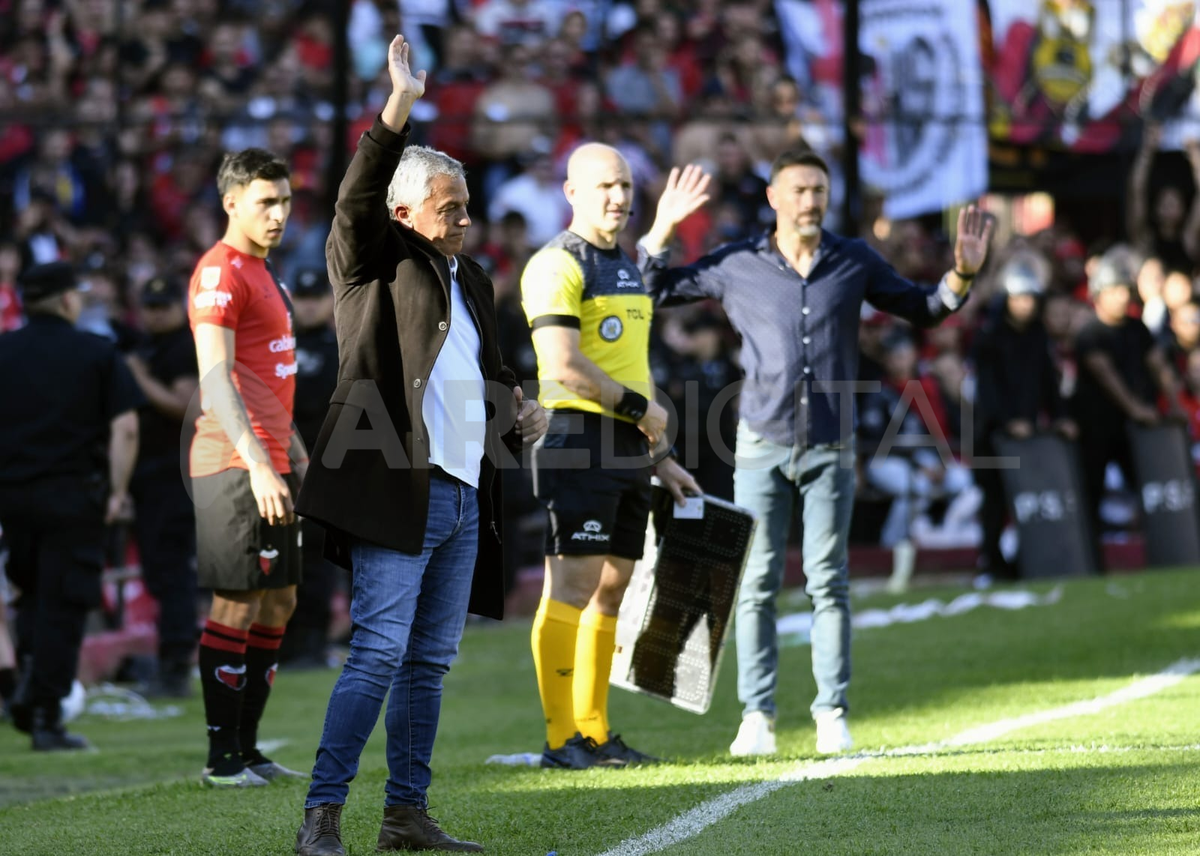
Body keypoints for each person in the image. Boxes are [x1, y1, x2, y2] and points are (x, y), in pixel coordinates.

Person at [638, 148, 994, 756]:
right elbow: (650, 290)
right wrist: (662, 229)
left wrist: (960, 273)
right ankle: (757, 715)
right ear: (774, 197)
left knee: (829, 582)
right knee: (756, 582)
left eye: (819, 191)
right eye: (799, 190)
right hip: (760, 442)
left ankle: (831, 711)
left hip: (831, 443)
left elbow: (925, 308)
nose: (810, 201)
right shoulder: (737, 263)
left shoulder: (852, 260)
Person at [292, 36, 546, 856]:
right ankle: (323, 815)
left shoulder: (473, 278)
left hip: (465, 493)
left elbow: (488, 369)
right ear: (403, 214)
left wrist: (520, 406)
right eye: (451, 208)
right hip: (401, 488)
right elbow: (355, 197)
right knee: (376, 654)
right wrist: (398, 106)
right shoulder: (370, 260)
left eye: (467, 206)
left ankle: (405, 814)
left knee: (427, 663)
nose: (466, 219)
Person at [520, 141, 704, 770]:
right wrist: (640, 411)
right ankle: (559, 741)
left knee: (612, 589)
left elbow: (630, 364)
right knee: (571, 586)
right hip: (577, 439)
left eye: (624, 185)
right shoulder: (555, 263)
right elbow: (562, 366)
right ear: (571, 192)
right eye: (604, 186)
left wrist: (660, 455)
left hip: (628, 445)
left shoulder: (623, 264)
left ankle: (594, 734)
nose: (618, 196)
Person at [187, 147, 308, 787]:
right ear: (231, 203)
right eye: (266, 201)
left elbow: (269, 379)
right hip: (234, 462)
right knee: (236, 602)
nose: (278, 213)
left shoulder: (267, 272)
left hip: (272, 458)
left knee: (279, 601)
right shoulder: (220, 272)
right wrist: (260, 464)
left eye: (285, 200)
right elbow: (216, 379)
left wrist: (295, 454)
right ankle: (221, 758)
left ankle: (250, 748)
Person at [0, 261, 142, 749]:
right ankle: (45, 713)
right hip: (73, 496)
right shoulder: (96, 351)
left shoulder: (4, 351)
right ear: (66, 299)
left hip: (13, 499)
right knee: (64, 603)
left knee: (30, 596)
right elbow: (125, 428)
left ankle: (27, 684)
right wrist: (117, 491)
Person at [1072, 258, 1185, 559]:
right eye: (1114, 290)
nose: (1122, 296)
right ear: (1098, 295)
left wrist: (1175, 404)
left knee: (1151, 489)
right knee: (1090, 494)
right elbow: (1107, 376)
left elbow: (1158, 366)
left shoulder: (1137, 328)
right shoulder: (1090, 333)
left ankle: (1169, 552)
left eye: (1124, 290)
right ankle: (1088, 559)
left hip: (1135, 429)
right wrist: (1136, 409)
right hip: (1097, 428)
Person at [971, 259, 1075, 582]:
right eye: (1018, 298)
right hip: (993, 436)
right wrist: (1008, 422)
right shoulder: (989, 337)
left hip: (1029, 439)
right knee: (995, 501)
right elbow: (987, 391)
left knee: (1032, 499)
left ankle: (1028, 560)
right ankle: (990, 562)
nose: (1025, 305)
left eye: (1030, 298)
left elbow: (1048, 383)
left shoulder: (1038, 336)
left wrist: (1060, 417)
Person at [127, 274, 200, 697]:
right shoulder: (148, 345)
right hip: (151, 473)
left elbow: (184, 405)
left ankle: (175, 665)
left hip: (174, 472)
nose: (155, 314)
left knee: (171, 570)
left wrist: (140, 378)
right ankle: (171, 657)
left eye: (163, 307)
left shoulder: (183, 346)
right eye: (149, 307)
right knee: (160, 569)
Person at [279, 268, 340, 669]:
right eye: (302, 299)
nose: (309, 306)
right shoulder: (279, 346)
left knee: (317, 558)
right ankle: (285, 641)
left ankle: (313, 642)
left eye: (316, 297)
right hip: (281, 465)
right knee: (284, 556)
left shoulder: (342, 347)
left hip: (324, 464)